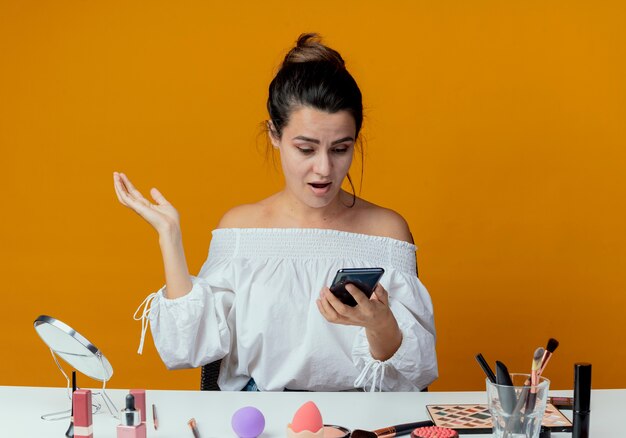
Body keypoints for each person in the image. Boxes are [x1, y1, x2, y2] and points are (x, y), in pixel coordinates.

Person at [113, 33, 437, 391]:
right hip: (259, 418)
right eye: (306, 149)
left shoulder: (386, 232)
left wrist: (379, 325)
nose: (324, 169)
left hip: (359, 419)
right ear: (274, 134)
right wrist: (170, 238)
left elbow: (412, 376)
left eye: (341, 149)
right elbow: (186, 349)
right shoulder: (241, 229)